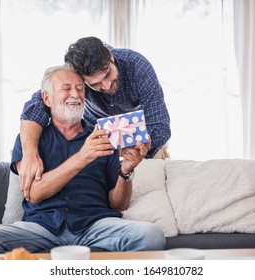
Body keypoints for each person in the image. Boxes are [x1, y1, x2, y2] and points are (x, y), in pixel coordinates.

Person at [0, 64, 165, 254]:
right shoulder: (30, 140)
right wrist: (82, 157)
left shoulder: (104, 136)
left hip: (94, 225)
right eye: (66, 88)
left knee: (151, 235)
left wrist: (126, 171)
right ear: (47, 98)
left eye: (80, 89)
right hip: (40, 228)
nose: (75, 94)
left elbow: (119, 204)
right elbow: (34, 194)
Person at [19, 36, 171, 200]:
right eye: (95, 84)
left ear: (110, 56)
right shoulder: (75, 76)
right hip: (95, 144)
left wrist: (142, 147)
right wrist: (29, 154)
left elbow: (160, 127)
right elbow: (36, 107)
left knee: (151, 196)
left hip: (143, 143)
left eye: (107, 74)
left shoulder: (138, 67)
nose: (106, 86)